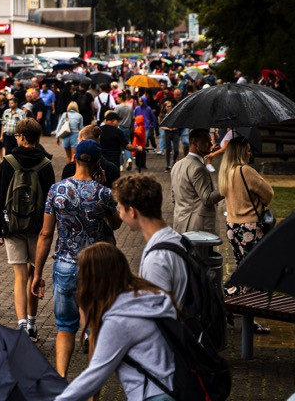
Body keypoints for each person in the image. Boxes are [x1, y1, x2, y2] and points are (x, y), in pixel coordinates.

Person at [31, 139, 122, 377]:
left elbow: (46, 233)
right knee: (94, 326)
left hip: (64, 264)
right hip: (95, 267)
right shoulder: (103, 193)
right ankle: (92, 385)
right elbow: (117, 223)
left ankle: (61, 378)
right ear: (98, 163)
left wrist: (38, 273)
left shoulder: (57, 190)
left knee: (65, 327)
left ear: (74, 159)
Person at [54, 243, 177, 401]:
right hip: (175, 388)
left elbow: (95, 375)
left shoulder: (119, 321)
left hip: (153, 395)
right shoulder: (150, 297)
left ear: (95, 280)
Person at [0, 118, 56, 340]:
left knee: (19, 276)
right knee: (33, 274)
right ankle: (32, 323)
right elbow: (51, 198)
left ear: (21, 137)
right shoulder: (46, 164)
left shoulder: (9, 162)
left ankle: (20, 325)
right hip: (38, 228)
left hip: (13, 225)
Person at [114, 174, 188, 306]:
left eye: (119, 208)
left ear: (131, 211)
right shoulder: (174, 238)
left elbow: (157, 312)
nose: (119, 214)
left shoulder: (156, 259)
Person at [219, 137, 274, 303]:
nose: (250, 153)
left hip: (232, 227)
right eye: (248, 150)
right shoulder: (245, 171)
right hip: (249, 227)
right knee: (254, 273)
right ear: (241, 151)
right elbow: (269, 193)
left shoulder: (225, 171)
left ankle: (239, 304)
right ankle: (238, 302)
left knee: (243, 267)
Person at [171, 129, 223, 235]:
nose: (211, 144)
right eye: (206, 142)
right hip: (198, 228)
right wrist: (226, 189)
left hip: (180, 224)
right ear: (195, 144)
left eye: (210, 141)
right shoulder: (198, 168)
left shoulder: (177, 165)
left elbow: (174, 197)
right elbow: (207, 198)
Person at [116, 91, 135, 170]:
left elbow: (114, 117)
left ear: (120, 98)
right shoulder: (129, 107)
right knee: (127, 145)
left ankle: (120, 165)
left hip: (119, 128)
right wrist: (132, 127)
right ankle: (129, 158)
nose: (116, 99)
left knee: (119, 147)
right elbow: (133, 119)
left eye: (117, 98)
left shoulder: (118, 107)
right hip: (127, 128)